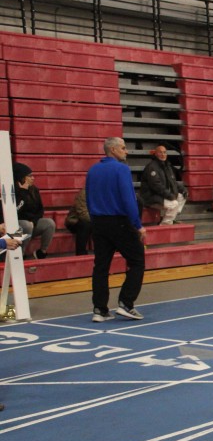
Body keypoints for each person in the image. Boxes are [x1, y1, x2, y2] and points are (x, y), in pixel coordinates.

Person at [86, 137, 146, 322]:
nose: (126, 151)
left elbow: (88, 198)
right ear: (112, 149)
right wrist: (138, 225)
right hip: (119, 222)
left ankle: (100, 309)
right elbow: (129, 199)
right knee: (137, 260)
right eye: (123, 147)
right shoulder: (121, 169)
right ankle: (126, 303)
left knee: (101, 267)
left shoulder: (93, 170)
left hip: (98, 222)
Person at [13, 163, 56, 259]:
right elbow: (15, 211)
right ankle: (20, 255)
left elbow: (40, 210)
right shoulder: (14, 191)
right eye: (29, 176)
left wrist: (33, 221)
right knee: (26, 225)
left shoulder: (34, 190)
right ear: (21, 178)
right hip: (17, 226)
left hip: (31, 224)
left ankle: (41, 252)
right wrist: (23, 192)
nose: (33, 178)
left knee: (49, 223)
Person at [139, 145, 187, 225]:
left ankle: (171, 218)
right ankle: (165, 224)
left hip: (162, 195)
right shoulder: (152, 167)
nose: (163, 154)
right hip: (151, 197)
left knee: (182, 196)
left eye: (164, 152)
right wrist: (170, 196)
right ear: (155, 154)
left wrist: (183, 189)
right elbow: (156, 186)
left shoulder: (167, 166)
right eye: (160, 152)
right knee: (174, 204)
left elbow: (173, 182)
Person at [66, 189, 93, 255]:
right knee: (85, 224)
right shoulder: (84, 193)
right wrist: (98, 220)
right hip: (75, 221)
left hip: (93, 221)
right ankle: (81, 253)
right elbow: (83, 214)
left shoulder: (104, 193)